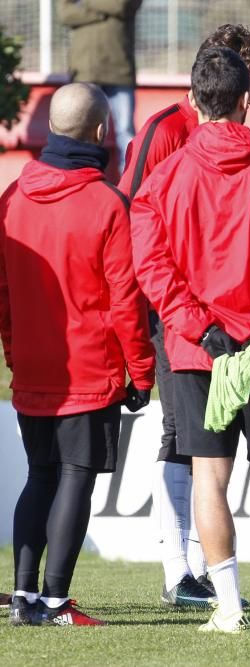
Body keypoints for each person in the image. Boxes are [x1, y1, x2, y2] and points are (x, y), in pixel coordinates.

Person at [130, 47, 250, 634]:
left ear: (193, 100)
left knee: (211, 478)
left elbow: (152, 269)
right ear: (246, 100)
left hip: (197, 355)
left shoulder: (163, 180)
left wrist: (206, 334)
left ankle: (231, 607)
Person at [119, 23, 250, 611]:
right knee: (180, 435)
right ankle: (178, 569)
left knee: (195, 438)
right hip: (170, 312)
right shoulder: (165, 130)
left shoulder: (244, 144)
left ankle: (188, 570)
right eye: (249, 83)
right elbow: (131, 226)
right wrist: (134, 326)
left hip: (226, 317)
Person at [0, 82, 155, 626]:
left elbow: (2, 292)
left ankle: (23, 597)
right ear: (99, 132)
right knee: (74, 477)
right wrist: (141, 373)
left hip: (35, 369)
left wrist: (15, 352)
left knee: (39, 476)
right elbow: (125, 303)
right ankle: (55, 600)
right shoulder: (107, 203)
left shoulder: (13, 196)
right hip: (90, 371)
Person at [57, 1, 143, 175]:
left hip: (120, 70)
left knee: (125, 131)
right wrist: (103, 11)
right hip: (85, 70)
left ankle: (129, 185)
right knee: (81, 131)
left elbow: (121, 6)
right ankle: (82, 178)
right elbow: (65, 13)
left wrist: (86, 4)